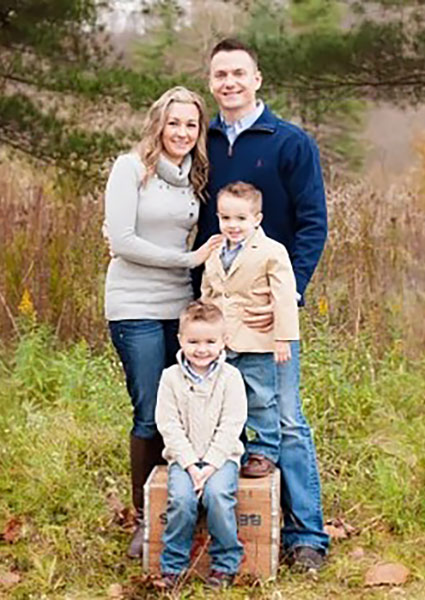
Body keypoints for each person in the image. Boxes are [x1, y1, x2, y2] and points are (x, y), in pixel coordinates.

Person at [194, 38, 330, 570]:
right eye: (220, 74)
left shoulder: (289, 142)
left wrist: (285, 298)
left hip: (271, 312)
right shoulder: (201, 143)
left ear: (257, 79)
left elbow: (312, 225)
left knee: (287, 421)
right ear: (211, 83)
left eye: (238, 73)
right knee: (218, 418)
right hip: (212, 318)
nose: (229, 82)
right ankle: (219, 528)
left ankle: (306, 538)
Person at [104, 86, 222, 559]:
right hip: (133, 304)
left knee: (188, 408)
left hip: (179, 304)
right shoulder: (130, 168)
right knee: (151, 411)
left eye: (191, 124)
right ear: (158, 124)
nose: (182, 132)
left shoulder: (196, 175)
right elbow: (123, 241)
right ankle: (144, 517)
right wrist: (187, 257)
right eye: (174, 123)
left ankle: (186, 508)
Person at [201, 181, 299, 478]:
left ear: (257, 219)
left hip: (257, 342)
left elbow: (284, 296)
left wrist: (283, 338)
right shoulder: (215, 251)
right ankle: (235, 448)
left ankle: (265, 450)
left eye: (241, 219)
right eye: (225, 218)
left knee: (260, 398)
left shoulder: (271, 251)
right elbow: (209, 292)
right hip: (223, 344)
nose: (233, 225)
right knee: (227, 397)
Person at [155, 301, 247, 590]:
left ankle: (225, 564)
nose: (202, 349)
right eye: (193, 341)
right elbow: (169, 426)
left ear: (223, 342)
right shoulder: (170, 378)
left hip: (222, 459)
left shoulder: (231, 378)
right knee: (181, 500)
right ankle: (173, 567)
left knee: (218, 497)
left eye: (210, 341)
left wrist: (210, 465)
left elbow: (232, 424)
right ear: (181, 340)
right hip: (184, 461)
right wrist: (191, 465)